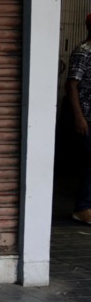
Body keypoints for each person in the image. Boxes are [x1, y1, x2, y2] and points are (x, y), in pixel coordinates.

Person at [67, 13, 91, 225]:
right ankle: (82, 208)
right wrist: (79, 117)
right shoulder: (83, 52)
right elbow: (72, 84)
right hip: (87, 117)